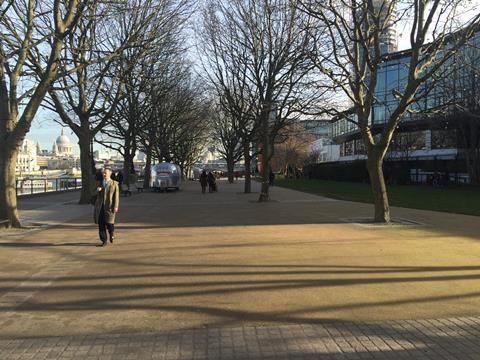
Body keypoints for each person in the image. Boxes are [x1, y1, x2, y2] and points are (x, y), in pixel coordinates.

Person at [93, 168, 119, 247]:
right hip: (100, 207)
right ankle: (104, 240)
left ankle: (111, 233)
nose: (104, 174)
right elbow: (93, 192)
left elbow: (116, 196)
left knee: (110, 223)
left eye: (105, 173)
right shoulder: (99, 183)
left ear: (110, 173)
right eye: (103, 173)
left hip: (109, 207)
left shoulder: (114, 184)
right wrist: (97, 190)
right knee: (101, 224)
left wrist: (115, 206)